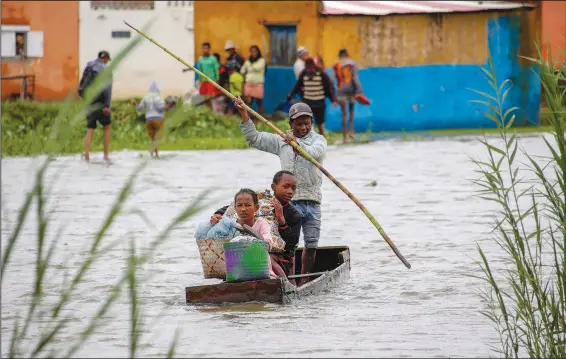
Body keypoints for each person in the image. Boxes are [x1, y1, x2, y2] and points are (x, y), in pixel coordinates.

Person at [233, 97, 327, 286]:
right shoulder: (281, 141)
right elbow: (254, 138)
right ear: (291, 124)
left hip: (312, 200)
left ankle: (305, 280)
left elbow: (315, 153)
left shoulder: (319, 140)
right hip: (289, 203)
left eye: (306, 124)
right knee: (288, 244)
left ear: (311, 124)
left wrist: (296, 144)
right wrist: (244, 113)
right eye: (298, 124)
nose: (303, 128)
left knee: (311, 242)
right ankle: (288, 280)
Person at [213, 171, 303, 279]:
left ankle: (284, 283)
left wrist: (281, 219)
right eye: (286, 187)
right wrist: (217, 215)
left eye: (293, 188)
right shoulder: (261, 200)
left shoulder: (295, 215)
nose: (290, 192)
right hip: (248, 249)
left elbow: (291, 244)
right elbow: (231, 207)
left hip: (279, 257)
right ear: (273, 187)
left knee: (265, 257)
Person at [195, 188, 278, 278]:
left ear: (256, 207)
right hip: (236, 271)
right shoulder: (230, 225)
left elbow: (268, 243)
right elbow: (215, 241)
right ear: (235, 208)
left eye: (247, 205)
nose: (243, 209)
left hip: (259, 269)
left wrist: (254, 240)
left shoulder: (261, 224)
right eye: (239, 205)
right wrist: (212, 224)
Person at [78, 50, 112, 163]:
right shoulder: (106, 69)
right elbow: (107, 88)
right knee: (107, 127)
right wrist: (107, 105)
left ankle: (87, 156)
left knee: (90, 128)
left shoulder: (89, 66)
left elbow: (82, 84)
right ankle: (106, 155)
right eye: (107, 60)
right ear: (105, 59)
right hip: (101, 102)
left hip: (89, 102)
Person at [288, 57, 337, 137]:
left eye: (311, 68)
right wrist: (291, 94)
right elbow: (298, 85)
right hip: (308, 103)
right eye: (308, 68)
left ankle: (321, 139)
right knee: (308, 124)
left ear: (314, 66)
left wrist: (333, 99)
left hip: (319, 103)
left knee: (320, 124)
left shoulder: (321, 73)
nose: (310, 70)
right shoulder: (304, 73)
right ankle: (309, 140)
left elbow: (328, 87)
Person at [131, 81, 169, 158]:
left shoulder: (146, 98)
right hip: (158, 119)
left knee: (152, 137)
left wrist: (135, 104)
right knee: (157, 137)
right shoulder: (159, 97)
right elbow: (160, 108)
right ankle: (156, 154)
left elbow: (139, 109)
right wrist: (168, 106)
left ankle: (153, 153)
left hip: (149, 120)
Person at [333, 48, 363, 143]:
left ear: (339, 55)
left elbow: (333, 79)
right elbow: (355, 78)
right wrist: (359, 91)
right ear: (347, 54)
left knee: (343, 113)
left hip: (340, 91)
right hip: (351, 91)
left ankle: (344, 137)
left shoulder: (335, 64)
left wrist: (334, 95)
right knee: (351, 112)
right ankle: (351, 132)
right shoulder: (352, 64)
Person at [240, 45, 267, 118]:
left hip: (258, 84)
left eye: (255, 51)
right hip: (248, 83)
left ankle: (261, 118)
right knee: (248, 102)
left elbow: (257, 68)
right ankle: (249, 118)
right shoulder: (248, 61)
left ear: (258, 52)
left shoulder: (262, 60)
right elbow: (242, 70)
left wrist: (249, 66)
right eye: (252, 51)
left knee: (259, 102)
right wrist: (249, 66)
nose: (253, 53)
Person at [195, 42, 220, 109]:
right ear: (202, 49)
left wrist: (216, 79)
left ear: (209, 49)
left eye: (206, 48)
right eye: (204, 48)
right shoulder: (200, 59)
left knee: (209, 97)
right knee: (204, 98)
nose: (205, 50)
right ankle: (207, 111)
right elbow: (199, 70)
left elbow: (216, 70)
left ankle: (211, 111)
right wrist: (200, 80)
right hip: (203, 81)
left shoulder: (213, 59)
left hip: (211, 80)